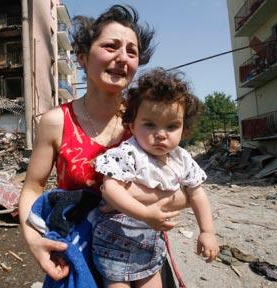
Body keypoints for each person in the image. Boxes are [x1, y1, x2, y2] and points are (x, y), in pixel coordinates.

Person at [18, 5, 188, 286]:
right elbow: (33, 188)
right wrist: (34, 240)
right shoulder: (56, 122)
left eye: (132, 52)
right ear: (83, 58)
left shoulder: (147, 123)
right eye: (111, 47)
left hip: (141, 256)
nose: (122, 58)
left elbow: (184, 188)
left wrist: (139, 204)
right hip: (76, 255)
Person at [93, 68, 219, 288]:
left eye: (172, 126)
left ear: (184, 129)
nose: (161, 134)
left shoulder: (182, 159)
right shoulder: (129, 153)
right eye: (150, 124)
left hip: (150, 244)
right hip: (115, 242)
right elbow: (111, 188)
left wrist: (207, 232)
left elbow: (197, 193)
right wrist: (145, 213)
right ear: (132, 125)